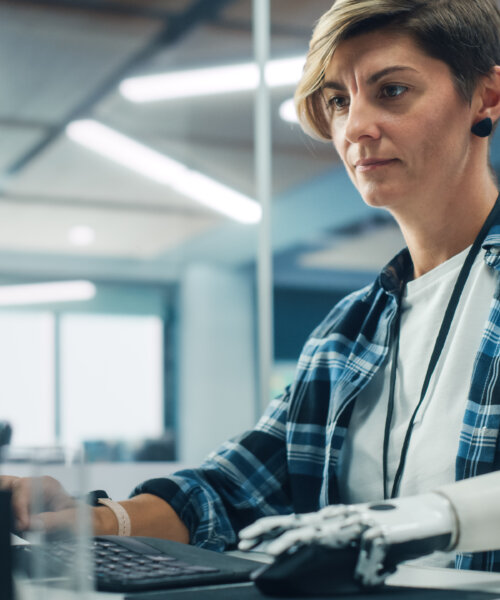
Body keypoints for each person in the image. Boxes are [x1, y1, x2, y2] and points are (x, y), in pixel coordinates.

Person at [3, 0, 500, 577]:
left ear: (486, 97)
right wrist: (90, 519)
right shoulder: (347, 333)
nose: (355, 126)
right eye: (339, 100)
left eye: (391, 91)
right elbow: (232, 490)